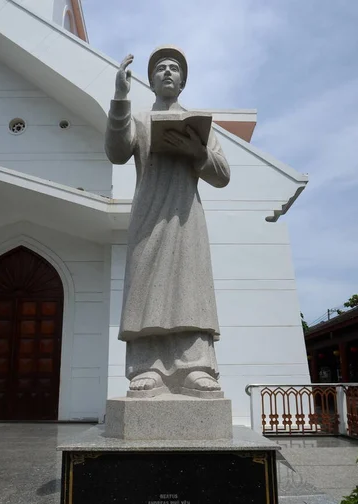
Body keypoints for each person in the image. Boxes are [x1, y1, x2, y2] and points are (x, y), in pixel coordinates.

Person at [105, 46, 230, 397]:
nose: (168, 72)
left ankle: (195, 367)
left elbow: (222, 175)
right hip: (149, 214)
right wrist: (120, 97)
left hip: (187, 217)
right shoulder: (140, 119)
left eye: (174, 68)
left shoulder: (199, 124)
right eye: (160, 68)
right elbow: (116, 152)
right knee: (147, 289)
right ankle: (148, 368)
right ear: (151, 79)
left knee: (189, 288)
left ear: (184, 80)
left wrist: (198, 152)